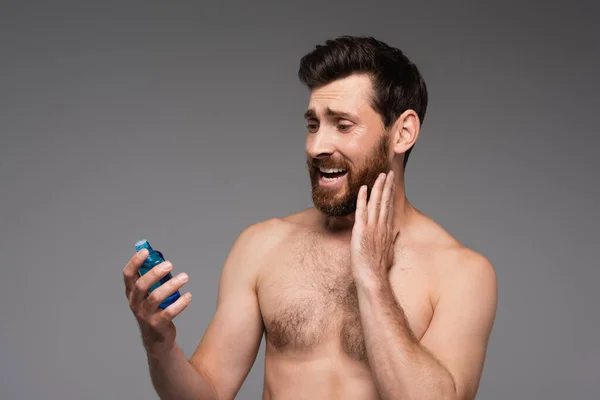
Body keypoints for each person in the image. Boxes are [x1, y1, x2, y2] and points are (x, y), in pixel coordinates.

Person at [123, 35, 498, 400]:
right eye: (313, 124)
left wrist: (372, 279)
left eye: (343, 125)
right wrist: (159, 343)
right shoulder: (263, 246)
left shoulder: (461, 273)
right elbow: (208, 392)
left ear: (402, 133)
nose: (317, 146)